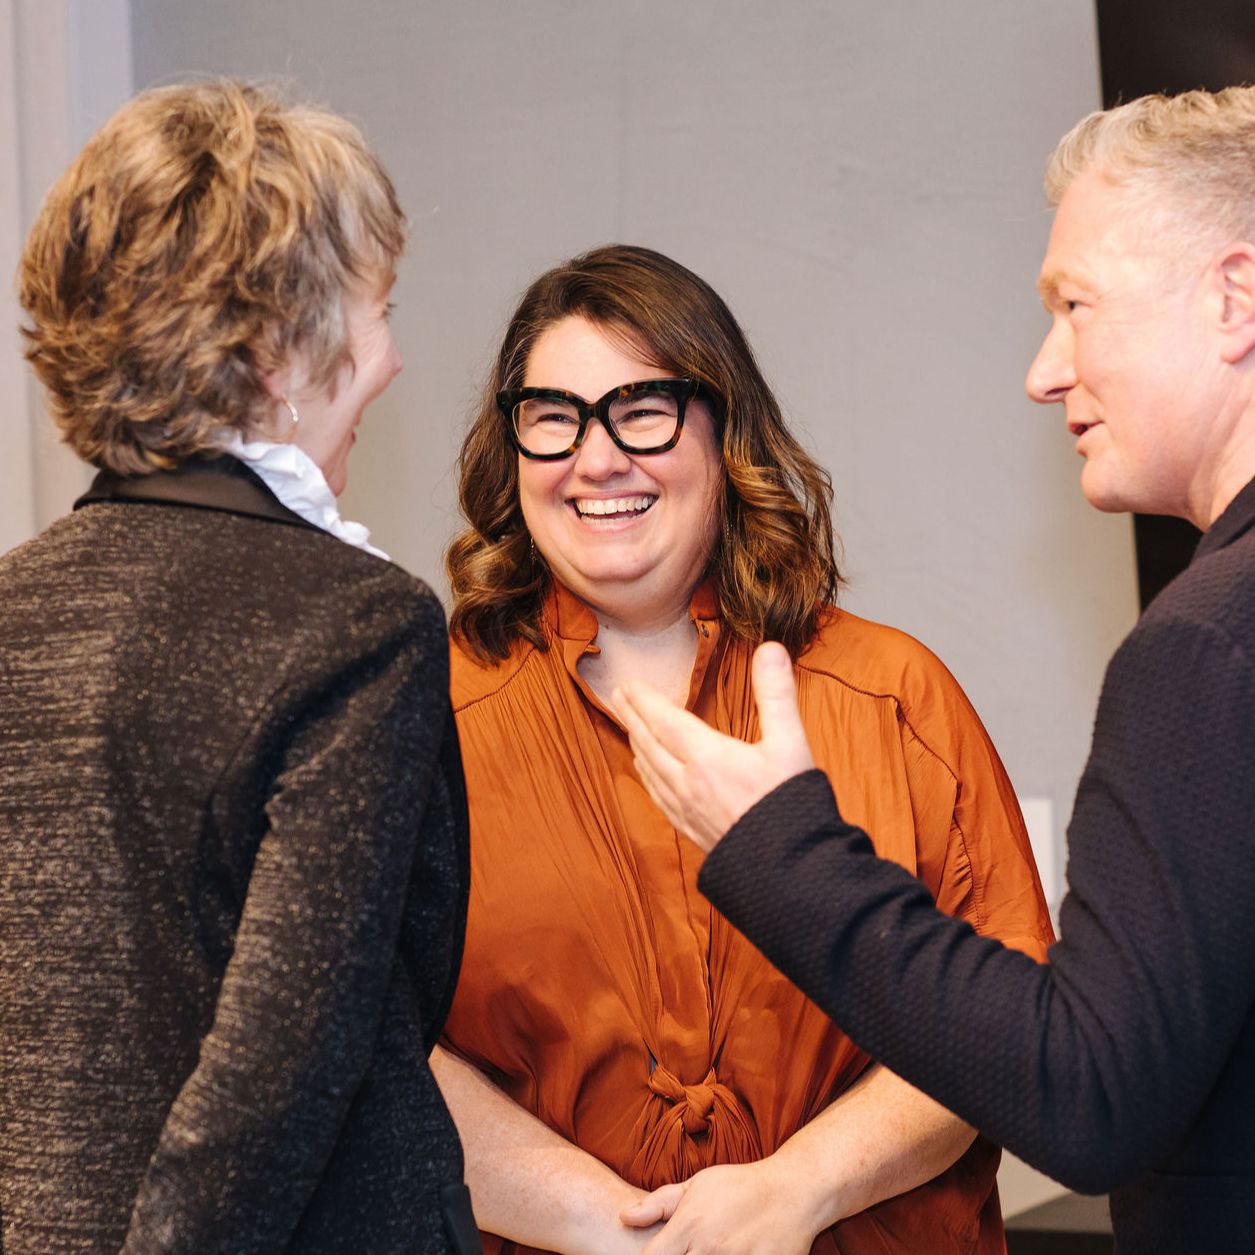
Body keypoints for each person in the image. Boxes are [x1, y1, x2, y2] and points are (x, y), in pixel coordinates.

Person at [618, 87, 1255, 1255]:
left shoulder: (1204, 644)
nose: (1043, 370)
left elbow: (1088, 1093)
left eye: (1076, 304)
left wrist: (778, 846)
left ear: (1235, 297)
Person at [436, 243, 1053, 1255]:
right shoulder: (425, 722)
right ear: (511, 451)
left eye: (642, 409)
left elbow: (1008, 1022)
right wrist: (609, 1227)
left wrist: (797, 1189)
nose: (597, 458)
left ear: (728, 432)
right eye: (553, 418)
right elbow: (370, 1041)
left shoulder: (894, 697)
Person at [0, 80, 478, 1254]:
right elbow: (281, 1071)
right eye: (377, 310)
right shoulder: (358, 623)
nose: (392, 360)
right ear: (277, 348)